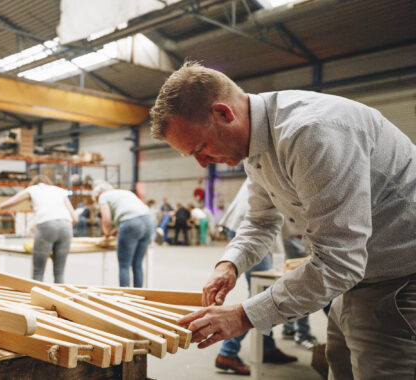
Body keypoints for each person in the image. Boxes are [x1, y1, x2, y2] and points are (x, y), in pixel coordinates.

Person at [150, 61, 416, 378]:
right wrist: (229, 264)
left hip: (400, 282)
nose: (203, 163)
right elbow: (261, 222)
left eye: (201, 148)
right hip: (358, 281)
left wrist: (242, 316)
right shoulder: (256, 149)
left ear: (223, 113)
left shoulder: (311, 134)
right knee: (341, 367)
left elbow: (339, 263)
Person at [216, 179, 296, 375]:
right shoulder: (286, 169)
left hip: (243, 220)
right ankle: (228, 352)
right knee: (263, 291)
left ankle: (267, 347)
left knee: (261, 289)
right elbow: (269, 226)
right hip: (246, 224)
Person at [0, 175, 77, 283]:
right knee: (59, 272)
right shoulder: (60, 191)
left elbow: (5, 205)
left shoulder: (32, 189)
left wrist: (3, 206)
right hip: (66, 226)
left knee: (38, 272)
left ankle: (37, 298)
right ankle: (60, 298)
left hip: (46, 225)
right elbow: (75, 218)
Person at [92, 182, 154, 288]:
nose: (98, 203)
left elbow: (106, 220)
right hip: (148, 222)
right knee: (137, 264)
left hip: (131, 223)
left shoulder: (103, 196)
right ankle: (139, 296)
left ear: (98, 193)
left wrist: (106, 233)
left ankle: (125, 297)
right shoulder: (126, 193)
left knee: (124, 265)